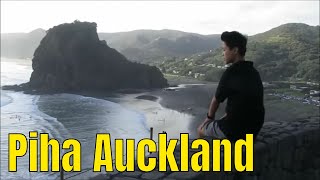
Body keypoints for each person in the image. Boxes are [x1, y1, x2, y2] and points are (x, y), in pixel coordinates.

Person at [197, 31, 265, 141]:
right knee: (226, 118)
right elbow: (244, 103)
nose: (222, 53)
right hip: (254, 129)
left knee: (201, 129)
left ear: (235, 50)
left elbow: (216, 100)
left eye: (224, 49)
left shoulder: (231, 72)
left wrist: (209, 119)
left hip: (236, 130)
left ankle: (203, 155)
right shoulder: (253, 71)